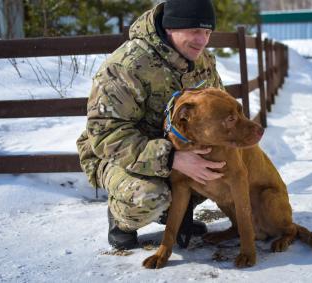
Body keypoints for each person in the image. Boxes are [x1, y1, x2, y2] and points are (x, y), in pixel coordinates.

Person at [76, 0, 225, 250]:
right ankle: (122, 220)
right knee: (150, 196)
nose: (203, 40)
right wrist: (172, 159)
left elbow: (218, 108)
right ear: (171, 27)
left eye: (208, 32)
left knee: (218, 167)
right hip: (115, 156)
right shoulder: (127, 65)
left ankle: (174, 215)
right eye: (195, 31)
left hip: (178, 149)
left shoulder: (202, 60)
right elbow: (106, 136)